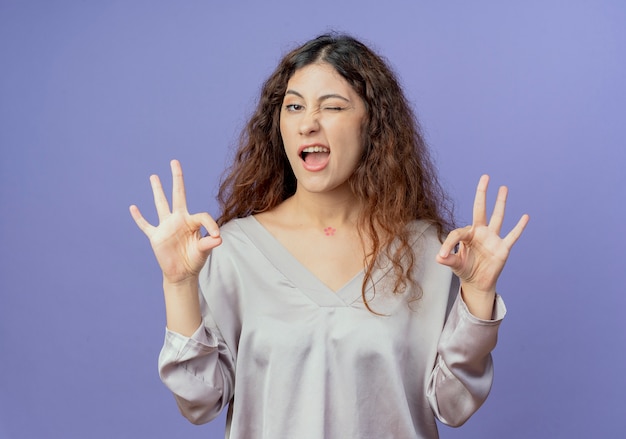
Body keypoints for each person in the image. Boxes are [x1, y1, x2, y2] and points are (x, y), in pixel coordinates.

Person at [129, 33, 529, 439]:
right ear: (278, 125)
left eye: (333, 107)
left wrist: (478, 295)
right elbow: (198, 402)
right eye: (294, 106)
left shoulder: (429, 253)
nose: (308, 123)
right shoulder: (233, 251)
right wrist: (178, 284)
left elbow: (453, 404)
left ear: (373, 124)